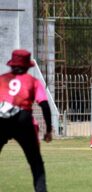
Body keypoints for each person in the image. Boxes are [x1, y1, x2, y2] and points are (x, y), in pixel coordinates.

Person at [0, 49, 53, 192]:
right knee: (36, 163)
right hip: (22, 120)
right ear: (27, 66)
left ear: (12, 64)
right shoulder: (33, 81)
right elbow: (44, 105)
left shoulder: (1, 79)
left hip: (1, 119)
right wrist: (48, 130)